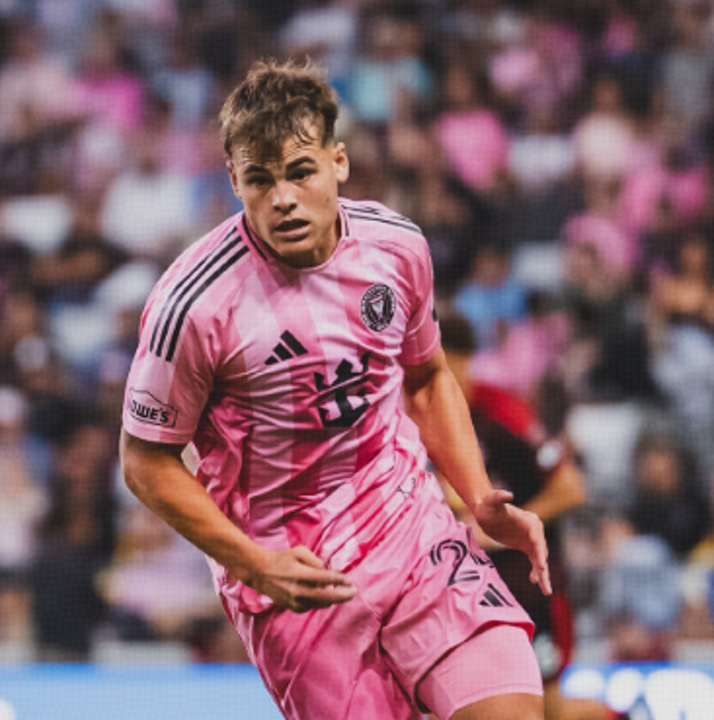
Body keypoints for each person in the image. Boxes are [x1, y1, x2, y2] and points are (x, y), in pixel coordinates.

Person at [119, 58, 551, 720]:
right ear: (234, 180)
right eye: (260, 180)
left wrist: (478, 496)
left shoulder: (396, 247)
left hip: (411, 531)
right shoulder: (194, 304)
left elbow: (427, 376)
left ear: (338, 162)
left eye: (300, 171)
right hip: (295, 577)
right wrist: (252, 562)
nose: (283, 198)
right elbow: (144, 460)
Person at [438, 312, 629, 720]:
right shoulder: (421, 416)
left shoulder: (504, 413)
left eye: (444, 367)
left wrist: (505, 526)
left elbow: (571, 488)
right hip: (468, 592)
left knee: (549, 709)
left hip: (531, 588)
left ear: (464, 362)